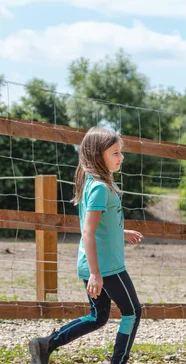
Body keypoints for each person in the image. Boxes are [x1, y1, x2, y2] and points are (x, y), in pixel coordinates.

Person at [29, 127, 144, 364]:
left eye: (120, 152)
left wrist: (121, 232)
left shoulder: (96, 183)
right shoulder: (100, 188)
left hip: (96, 264)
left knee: (98, 316)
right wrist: (95, 274)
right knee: (132, 312)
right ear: (96, 155)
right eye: (115, 152)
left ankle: (46, 344)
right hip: (106, 267)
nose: (121, 157)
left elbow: (98, 226)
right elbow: (88, 232)